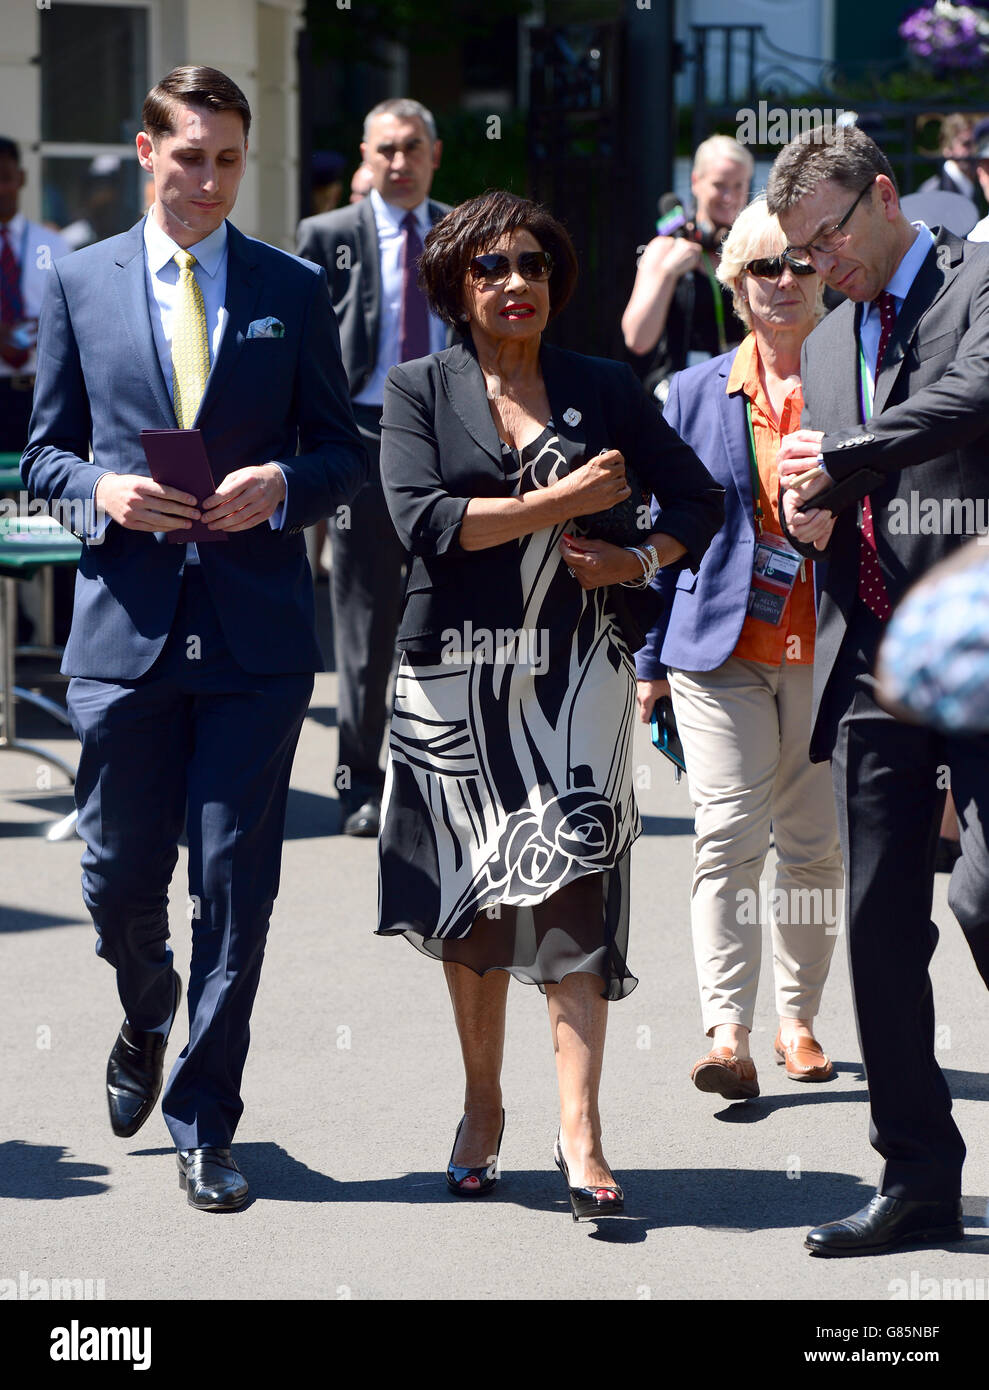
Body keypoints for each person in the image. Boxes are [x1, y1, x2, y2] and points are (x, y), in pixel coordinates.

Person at [21, 65, 366, 1211]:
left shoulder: (290, 285)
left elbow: (342, 447)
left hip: (257, 636)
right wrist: (105, 494)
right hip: (124, 629)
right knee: (120, 876)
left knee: (234, 884)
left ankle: (205, 1122)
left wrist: (284, 481)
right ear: (145, 150)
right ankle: (143, 1007)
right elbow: (46, 453)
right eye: (190, 158)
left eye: (228, 159)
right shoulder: (77, 281)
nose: (210, 180)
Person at [375, 190, 724, 1218]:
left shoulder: (602, 386)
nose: (514, 282)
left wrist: (635, 553)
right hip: (453, 681)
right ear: (454, 285)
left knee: (572, 895)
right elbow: (422, 521)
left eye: (530, 263)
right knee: (476, 906)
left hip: (579, 679)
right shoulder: (415, 389)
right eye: (489, 268)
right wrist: (554, 505)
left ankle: (581, 1131)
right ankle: (483, 1107)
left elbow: (699, 499)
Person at [769, 123, 989, 1256]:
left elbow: (968, 399)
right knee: (872, 922)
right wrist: (808, 520)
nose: (819, 267)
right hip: (870, 661)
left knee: (982, 900)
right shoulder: (823, 342)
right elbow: (829, 496)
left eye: (828, 239)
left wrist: (847, 451)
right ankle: (914, 1179)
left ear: (884, 195)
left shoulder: (978, 276)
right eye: (798, 256)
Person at [635, 198, 843, 1102]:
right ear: (734, 286)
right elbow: (662, 530)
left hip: (830, 648)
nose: (786, 281)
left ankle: (798, 1018)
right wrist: (646, 662)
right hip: (718, 647)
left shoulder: (864, 383)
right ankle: (728, 1028)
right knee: (725, 833)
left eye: (803, 263)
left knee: (812, 846)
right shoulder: (689, 393)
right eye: (767, 267)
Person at [297, 98, 451, 838]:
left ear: (434, 154)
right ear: (366, 154)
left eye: (411, 147)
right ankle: (359, 784)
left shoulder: (465, 233)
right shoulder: (327, 237)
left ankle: (449, 777)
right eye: (385, 149)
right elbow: (300, 350)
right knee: (364, 626)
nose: (398, 162)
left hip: (449, 450)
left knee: (455, 617)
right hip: (360, 444)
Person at [622, 135, 752, 400]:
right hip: (678, 396)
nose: (729, 196)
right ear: (696, 182)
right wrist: (668, 272)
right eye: (719, 185)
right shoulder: (665, 248)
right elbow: (637, 339)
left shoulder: (752, 250)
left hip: (738, 393)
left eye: (739, 186)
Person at [0, 137, 69, 451]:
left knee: (35, 494)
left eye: (5, 178)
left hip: (39, 393)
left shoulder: (53, 245)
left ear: (21, 178)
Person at [917, 114, 976, 200]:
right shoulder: (932, 191)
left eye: (976, 143)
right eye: (966, 144)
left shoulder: (980, 186)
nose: (974, 150)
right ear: (947, 149)